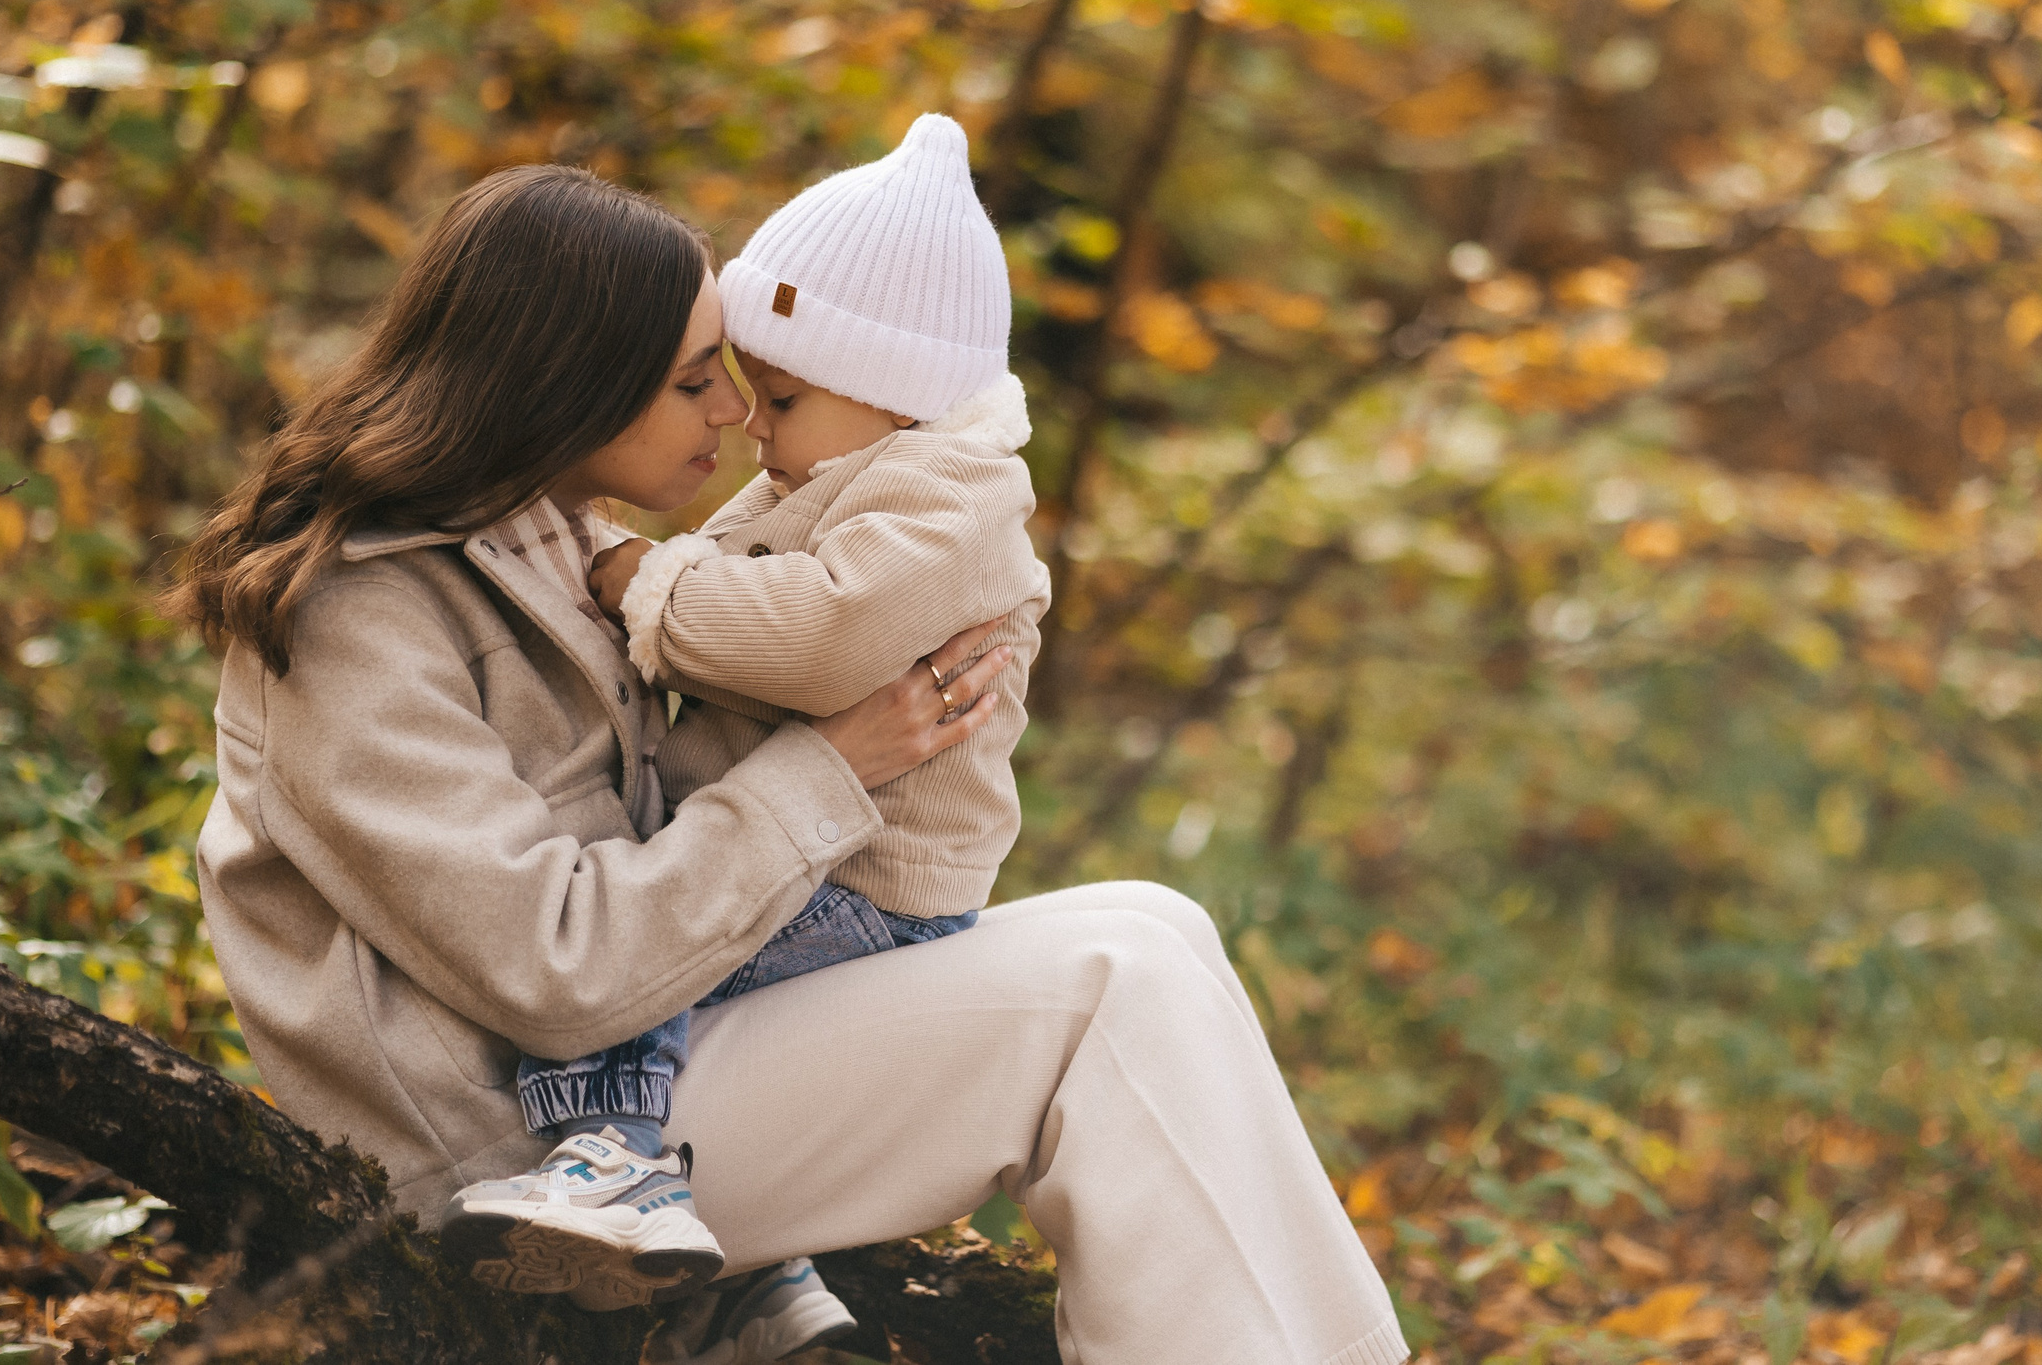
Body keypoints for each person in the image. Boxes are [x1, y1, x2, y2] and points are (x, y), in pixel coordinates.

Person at [180, 158, 1407, 1365]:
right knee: (1110, 977)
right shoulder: (353, 614)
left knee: (1158, 922)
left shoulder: (550, 542)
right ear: (564, 386)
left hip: (646, 1064)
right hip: (535, 1156)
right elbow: (551, 968)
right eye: (693, 381)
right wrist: (834, 763)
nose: (732, 413)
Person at [440, 115, 1051, 1316]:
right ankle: (764, 1294)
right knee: (687, 969)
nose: (749, 427)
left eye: (778, 396)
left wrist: (639, 581)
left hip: (862, 882)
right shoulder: (846, 474)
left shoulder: (946, 494)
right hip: (824, 855)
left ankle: (608, 1171)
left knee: (651, 972)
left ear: (892, 393)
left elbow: (817, 637)